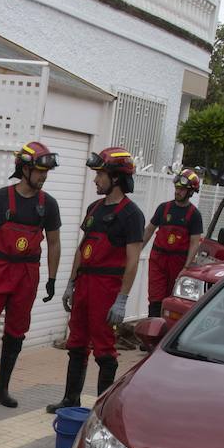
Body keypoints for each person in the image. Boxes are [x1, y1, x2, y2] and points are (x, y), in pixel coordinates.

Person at [0, 141, 61, 407]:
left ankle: (2, 388)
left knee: (16, 333)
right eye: (39, 171)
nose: (43, 176)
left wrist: (52, 279)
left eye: (46, 172)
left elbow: (54, 243)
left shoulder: (48, 205)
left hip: (27, 274)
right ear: (24, 169)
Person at [47, 147, 145, 412]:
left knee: (104, 348)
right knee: (76, 342)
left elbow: (133, 260)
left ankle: (102, 408)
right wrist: (71, 283)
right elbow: (83, 247)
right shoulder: (94, 208)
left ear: (116, 177)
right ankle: (70, 399)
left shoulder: (132, 215)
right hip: (85, 284)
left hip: (107, 288)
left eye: (100, 175)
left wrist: (122, 299)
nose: (95, 180)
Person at [143, 168, 203, 316]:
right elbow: (149, 230)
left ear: (190, 192)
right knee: (155, 298)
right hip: (158, 259)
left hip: (178, 262)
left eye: (182, 189)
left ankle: (167, 328)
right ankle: (153, 326)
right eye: (177, 188)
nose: (178, 191)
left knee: (172, 301)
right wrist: (135, 251)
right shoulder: (163, 208)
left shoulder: (194, 215)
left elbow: (195, 243)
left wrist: (186, 267)